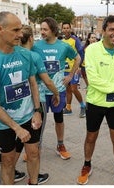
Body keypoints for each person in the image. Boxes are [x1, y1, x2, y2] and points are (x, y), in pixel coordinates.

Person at [0, 11, 42, 185]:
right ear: (0, 29)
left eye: (21, 29)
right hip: (6, 123)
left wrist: (37, 111)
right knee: (8, 161)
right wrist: (16, 128)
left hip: (28, 116)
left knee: (34, 153)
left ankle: (34, 182)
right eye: (15, 30)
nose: (21, 34)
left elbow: (33, 84)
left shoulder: (25, 55)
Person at [76, 15, 114, 185]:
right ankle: (87, 164)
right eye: (111, 29)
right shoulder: (92, 50)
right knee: (91, 137)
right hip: (95, 103)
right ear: (104, 31)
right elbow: (93, 80)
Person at [32, 17, 81, 160]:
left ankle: (60, 145)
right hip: (40, 91)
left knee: (59, 118)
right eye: (41, 29)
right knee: (38, 119)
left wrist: (70, 75)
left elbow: (78, 58)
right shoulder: (36, 46)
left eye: (45, 29)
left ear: (53, 30)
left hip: (58, 90)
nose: (42, 32)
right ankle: (35, 147)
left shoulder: (64, 46)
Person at [18, 24, 61, 184]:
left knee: (19, 140)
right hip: (38, 101)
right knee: (36, 138)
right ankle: (34, 176)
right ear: (30, 39)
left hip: (20, 103)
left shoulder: (15, 54)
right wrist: (56, 93)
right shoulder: (34, 56)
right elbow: (47, 81)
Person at [61, 22, 86, 117]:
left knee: (74, 88)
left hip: (74, 69)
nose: (66, 29)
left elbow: (81, 52)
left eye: (68, 28)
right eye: (64, 28)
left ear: (70, 29)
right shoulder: (62, 41)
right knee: (67, 89)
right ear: (62, 29)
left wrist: (79, 66)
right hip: (65, 69)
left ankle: (83, 106)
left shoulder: (75, 40)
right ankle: (68, 108)